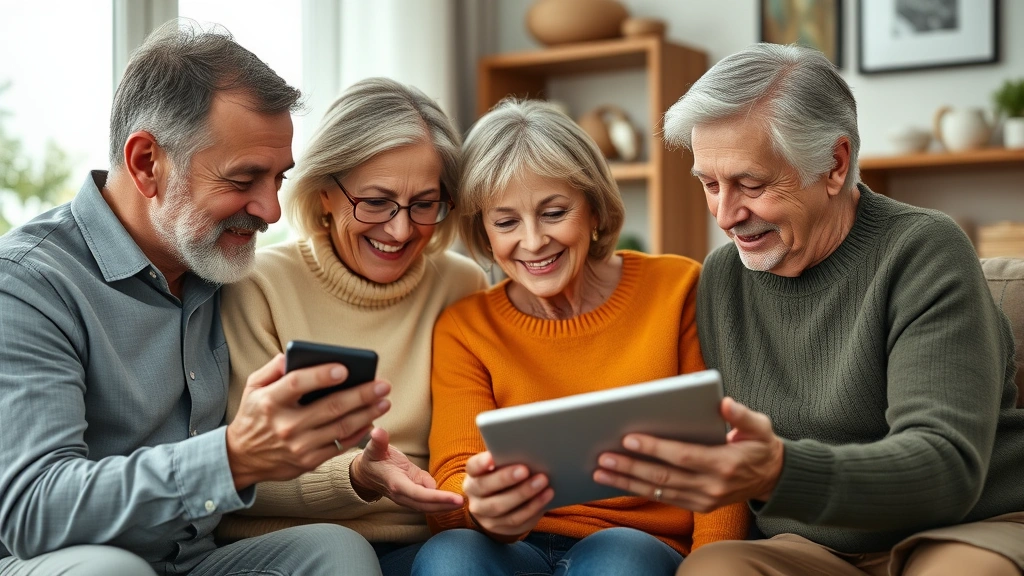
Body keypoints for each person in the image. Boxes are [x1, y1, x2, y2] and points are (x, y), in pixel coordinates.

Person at [590, 43, 1024, 575]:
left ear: (835, 164)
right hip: (811, 546)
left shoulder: (922, 250)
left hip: (962, 527)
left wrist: (779, 471)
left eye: (751, 183)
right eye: (709, 184)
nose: (726, 215)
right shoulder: (722, 279)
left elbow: (945, 466)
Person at [0, 21, 392, 576]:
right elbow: (31, 510)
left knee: (337, 551)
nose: (271, 210)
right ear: (146, 164)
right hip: (61, 564)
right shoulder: (26, 284)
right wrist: (231, 458)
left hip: (195, 562)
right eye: (242, 179)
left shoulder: (218, 264)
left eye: (278, 178)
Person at [411, 99, 749, 576]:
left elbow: (722, 451)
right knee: (451, 557)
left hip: (642, 543)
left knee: (619, 559)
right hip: (515, 545)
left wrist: (713, 562)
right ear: (484, 235)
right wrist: (481, 506)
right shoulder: (467, 327)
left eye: (553, 212)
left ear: (594, 210)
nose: (532, 242)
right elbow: (454, 478)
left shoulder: (677, 290)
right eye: (506, 222)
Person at [217, 77, 488, 576]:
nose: (401, 230)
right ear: (324, 193)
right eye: (377, 202)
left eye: (424, 204)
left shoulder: (462, 283)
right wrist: (358, 477)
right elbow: (235, 474)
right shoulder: (258, 286)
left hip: (430, 547)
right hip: (299, 549)